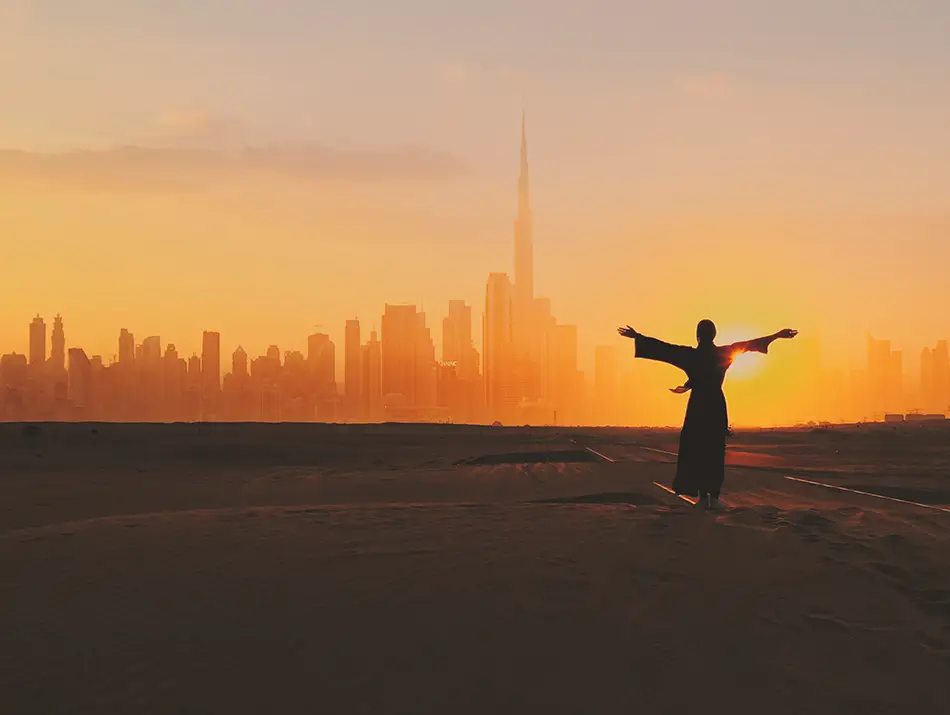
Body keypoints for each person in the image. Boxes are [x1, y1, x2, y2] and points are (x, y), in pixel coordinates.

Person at [618, 320, 797, 510]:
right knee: (715, 451)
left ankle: (703, 497)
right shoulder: (723, 353)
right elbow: (749, 344)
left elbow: (664, 349)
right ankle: (715, 496)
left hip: (697, 407)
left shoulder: (690, 355)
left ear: (697, 335)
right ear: (714, 335)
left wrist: (638, 337)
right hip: (715, 406)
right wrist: (777, 335)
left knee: (697, 451)